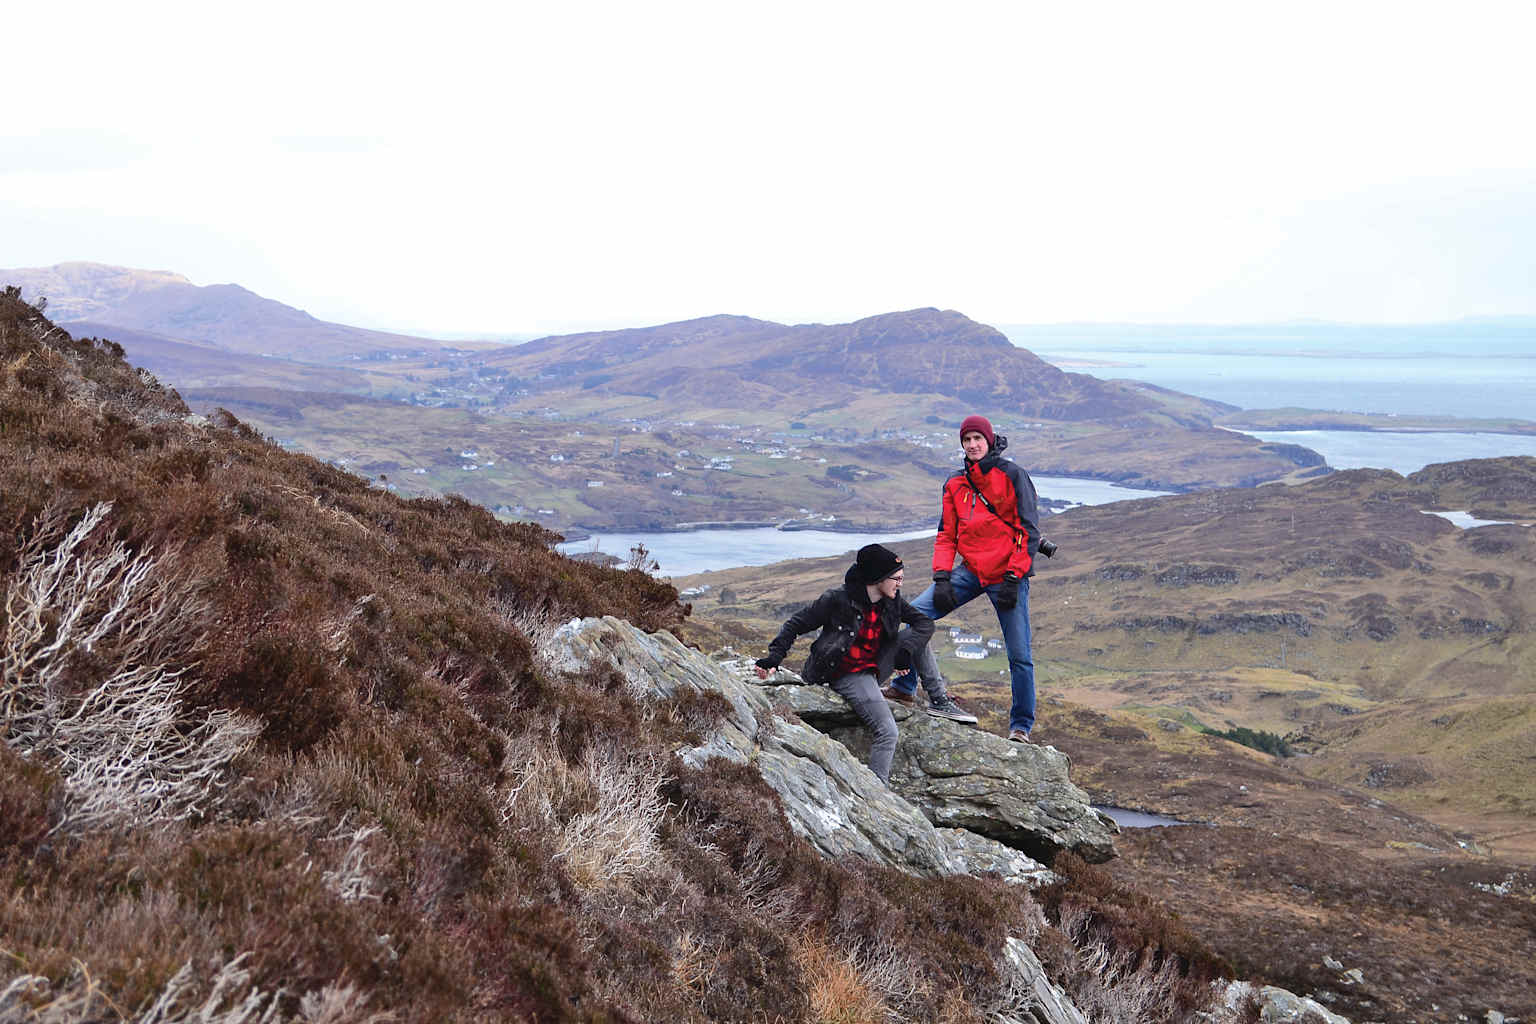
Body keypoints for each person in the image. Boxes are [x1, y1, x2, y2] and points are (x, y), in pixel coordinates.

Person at [884, 414, 1042, 742]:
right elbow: (947, 535)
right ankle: (903, 687)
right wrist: (942, 577)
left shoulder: (1013, 475)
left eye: (977, 439)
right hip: (969, 572)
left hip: (1007, 578)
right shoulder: (955, 484)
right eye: (966, 440)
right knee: (913, 615)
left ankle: (1021, 727)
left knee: (1019, 655)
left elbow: (1028, 532)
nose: (972, 445)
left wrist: (1014, 578)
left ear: (988, 440)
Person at [754, 543, 934, 784]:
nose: (900, 583)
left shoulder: (892, 600)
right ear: (877, 577)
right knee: (887, 731)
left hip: (873, 667)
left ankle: (940, 700)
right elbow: (795, 624)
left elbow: (925, 624)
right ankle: (877, 791)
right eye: (896, 578)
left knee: (917, 639)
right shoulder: (837, 599)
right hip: (844, 672)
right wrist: (774, 658)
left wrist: (904, 651)